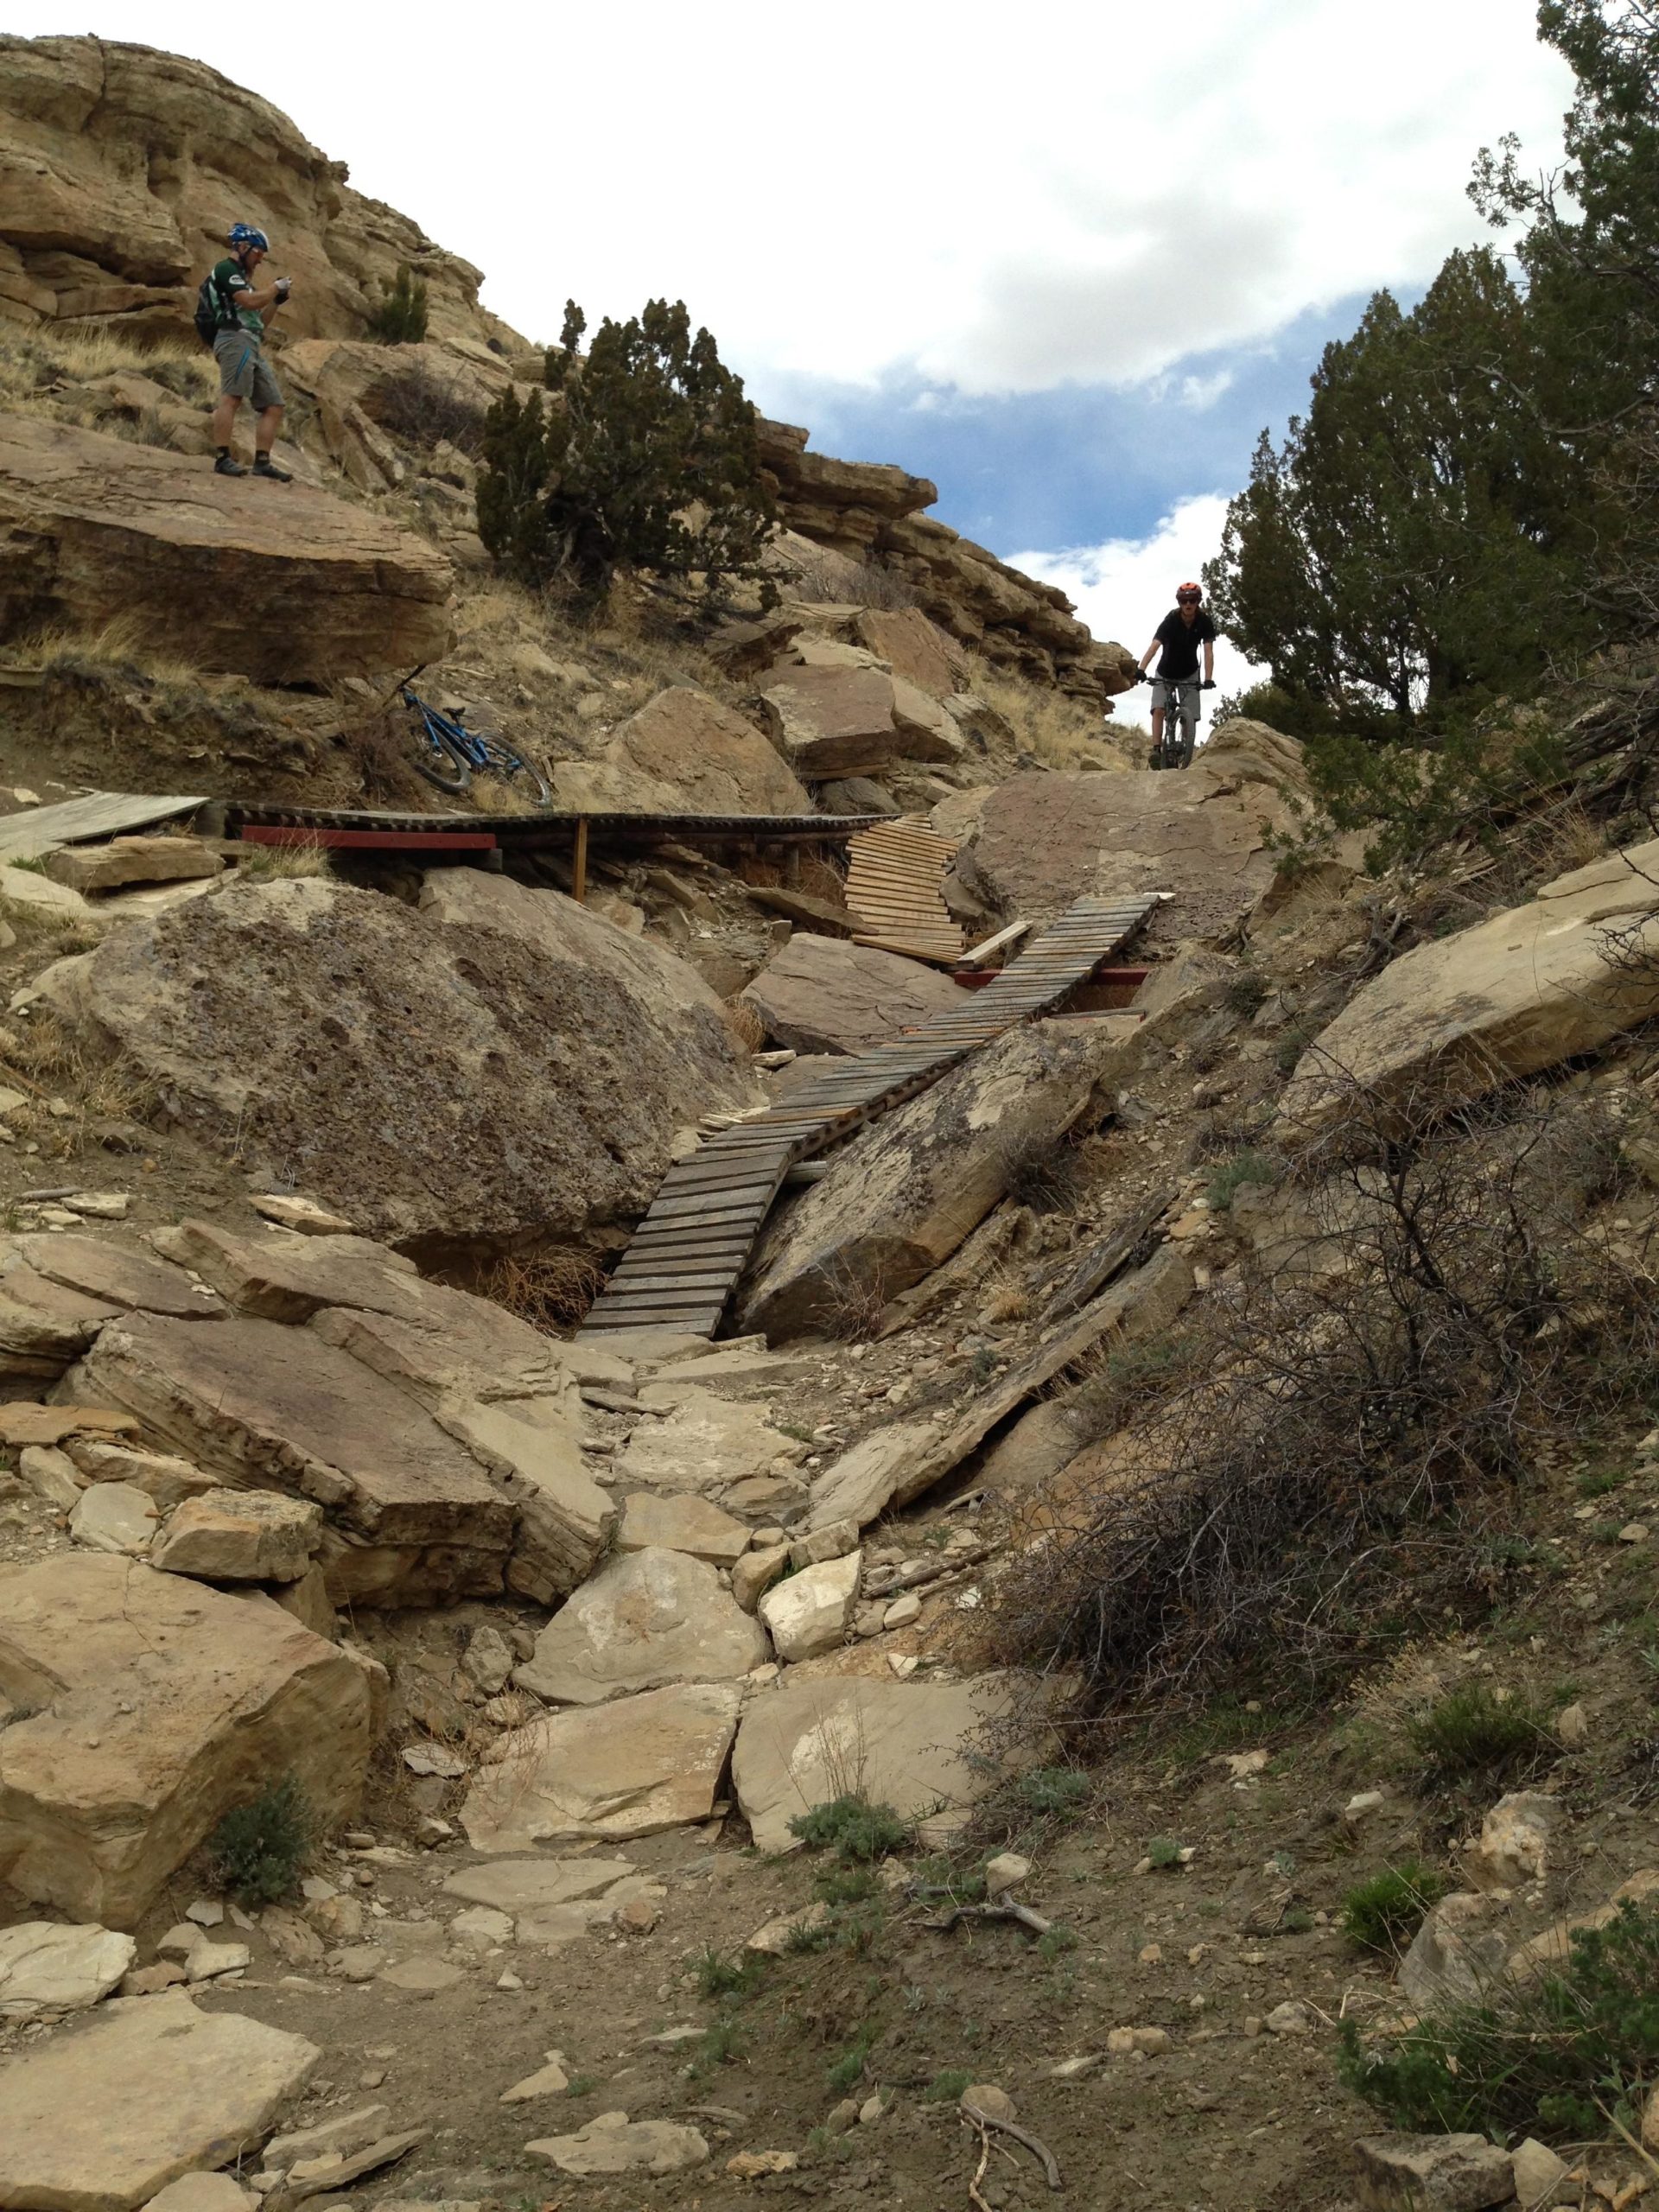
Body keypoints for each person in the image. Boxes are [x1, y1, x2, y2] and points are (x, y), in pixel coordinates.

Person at [207, 223, 293, 480]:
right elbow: (247, 302)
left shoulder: (248, 283)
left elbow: (260, 322)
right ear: (242, 247)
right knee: (232, 397)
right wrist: (275, 288)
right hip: (234, 339)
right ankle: (222, 458)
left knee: (274, 405)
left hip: (251, 342)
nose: (260, 259)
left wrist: (276, 301)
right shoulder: (226, 270)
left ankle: (262, 462)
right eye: (258, 253)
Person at [1134, 581, 1217, 768]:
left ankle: (1186, 747)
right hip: (1165, 671)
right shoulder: (1171, 620)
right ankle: (1156, 749)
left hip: (1190, 672)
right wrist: (1141, 669)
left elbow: (1208, 651)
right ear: (1179, 602)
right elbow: (1154, 646)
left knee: (1191, 714)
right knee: (1159, 709)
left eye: (1192, 600)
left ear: (1198, 602)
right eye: (1184, 601)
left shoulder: (1204, 621)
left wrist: (1208, 678)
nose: (1188, 605)